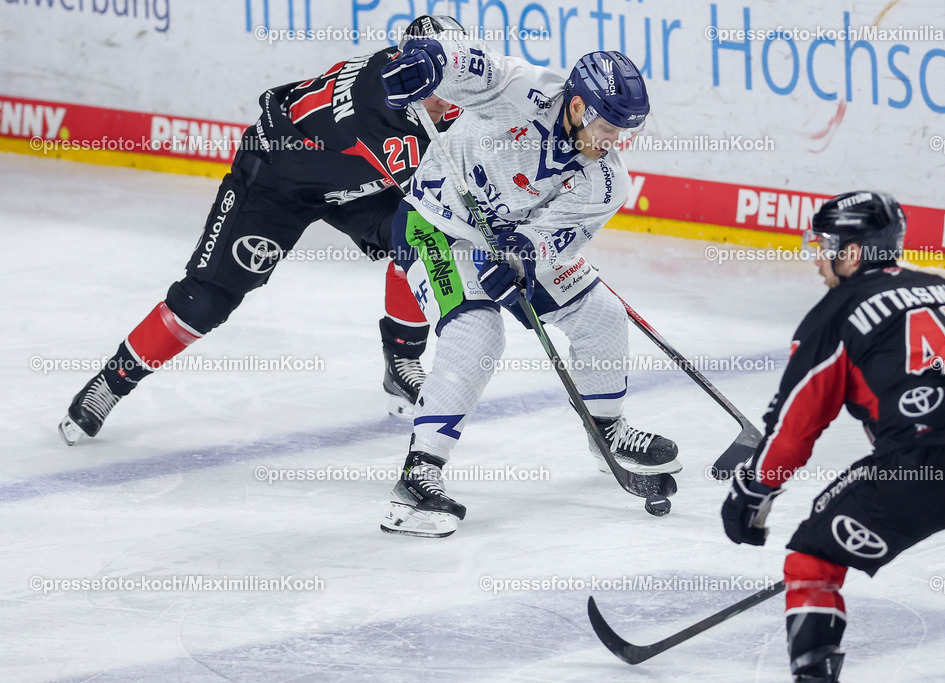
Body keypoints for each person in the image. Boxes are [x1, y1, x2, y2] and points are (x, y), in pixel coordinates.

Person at [58, 43, 462, 445]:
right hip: (276, 179)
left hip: (350, 175)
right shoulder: (379, 104)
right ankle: (112, 382)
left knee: (422, 235)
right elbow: (441, 186)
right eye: (434, 88)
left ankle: (402, 359)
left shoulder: (430, 86)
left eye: (450, 82)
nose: (445, 100)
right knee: (206, 300)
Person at [375, 15, 680, 538]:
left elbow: (553, 239)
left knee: (601, 313)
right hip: (436, 222)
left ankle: (606, 430)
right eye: (609, 128)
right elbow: (470, 62)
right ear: (579, 106)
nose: (614, 142)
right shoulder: (528, 92)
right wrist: (428, 60)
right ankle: (418, 476)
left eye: (626, 132)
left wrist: (521, 257)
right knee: (476, 332)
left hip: (508, 241)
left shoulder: (607, 183)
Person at [720, 191, 945, 682]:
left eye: (825, 244)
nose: (818, 255)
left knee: (812, 558)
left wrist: (752, 491)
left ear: (854, 252)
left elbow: (796, 426)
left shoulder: (835, 313)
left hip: (923, 466)